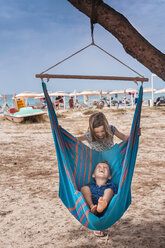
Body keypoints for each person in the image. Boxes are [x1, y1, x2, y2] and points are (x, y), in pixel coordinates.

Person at [81, 161, 118, 237]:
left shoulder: (111, 185)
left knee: (109, 191)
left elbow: (118, 195)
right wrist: (91, 206)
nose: (102, 168)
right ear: (93, 175)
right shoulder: (89, 186)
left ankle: (100, 208)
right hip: (90, 207)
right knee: (84, 188)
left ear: (109, 177)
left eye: (105, 167)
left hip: (106, 208)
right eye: (99, 167)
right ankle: (93, 208)